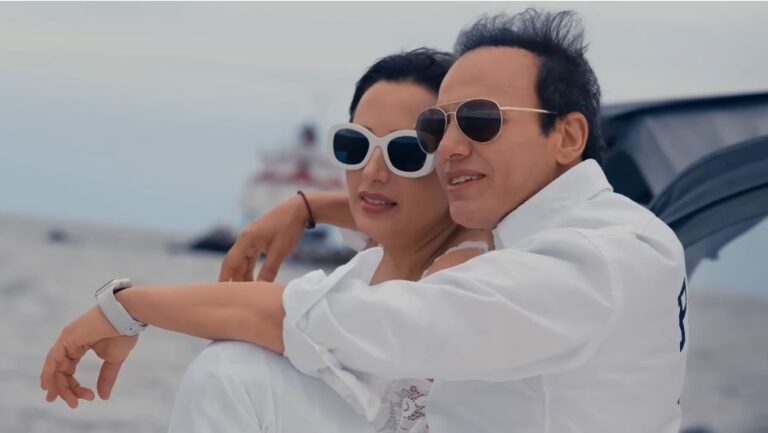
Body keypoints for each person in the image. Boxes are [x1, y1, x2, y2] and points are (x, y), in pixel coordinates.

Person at [220, 9, 689, 433]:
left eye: (480, 121)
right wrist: (307, 206)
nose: (446, 148)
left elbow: (354, 322)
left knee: (229, 373)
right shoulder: (553, 230)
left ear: (567, 137)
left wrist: (158, 305)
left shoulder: (585, 258)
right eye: (435, 128)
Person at [39, 48, 491, 432]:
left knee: (228, 371)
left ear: (452, 161)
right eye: (355, 146)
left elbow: (290, 318)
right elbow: (379, 206)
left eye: (406, 152)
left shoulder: (462, 275)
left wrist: (125, 306)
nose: (372, 172)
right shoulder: (395, 249)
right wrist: (304, 207)